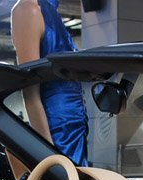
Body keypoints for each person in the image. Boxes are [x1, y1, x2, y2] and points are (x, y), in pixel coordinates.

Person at [11, 0, 89, 166]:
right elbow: (30, 94)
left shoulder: (49, 11)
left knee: (77, 176)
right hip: (56, 126)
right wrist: (48, 154)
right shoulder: (28, 10)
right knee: (65, 178)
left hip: (74, 121)